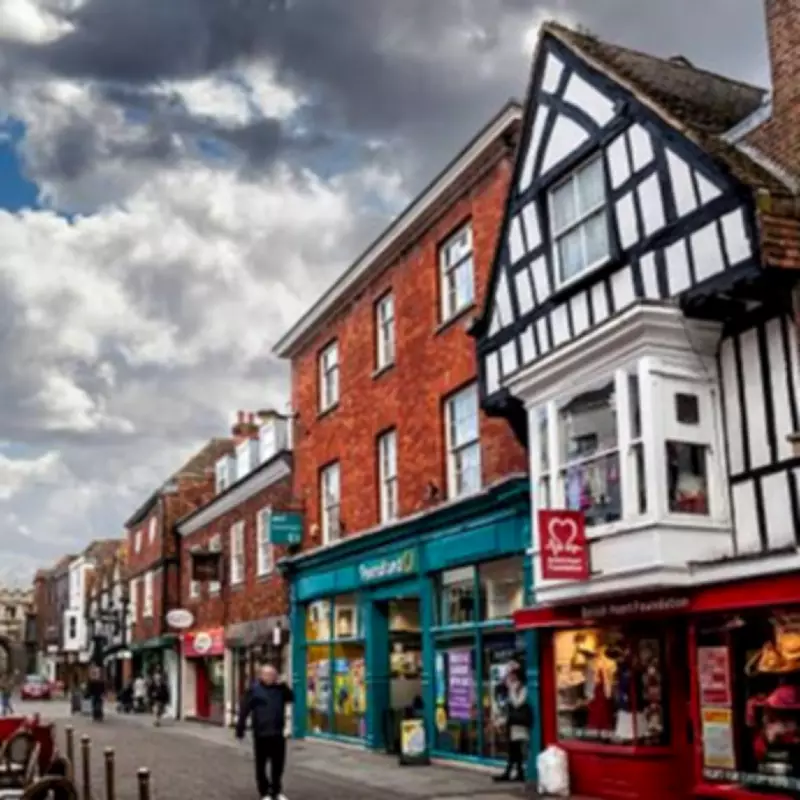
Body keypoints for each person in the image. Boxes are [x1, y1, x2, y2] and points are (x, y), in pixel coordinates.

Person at [236, 663, 294, 800]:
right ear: (261, 676)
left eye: (273, 675)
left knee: (278, 765)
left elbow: (291, 698)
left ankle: (276, 791)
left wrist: (284, 685)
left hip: (277, 733)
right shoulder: (254, 690)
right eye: (268, 675)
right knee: (261, 765)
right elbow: (245, 710)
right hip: (261, 733)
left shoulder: (280, 689)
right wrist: (240, 728)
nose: (271, 677)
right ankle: (265, 792)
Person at [493, 665, 533, 783]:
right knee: (514, 749)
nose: (510, 678)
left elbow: (517, 703)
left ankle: (509, 773)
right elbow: (506, 704)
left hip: (519, 723)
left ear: (517, 676)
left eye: (512, 676)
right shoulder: (512, 688)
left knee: (515, 749)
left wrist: (511, 690)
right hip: (512, 723)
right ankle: (518, 773)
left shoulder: (523, 689)